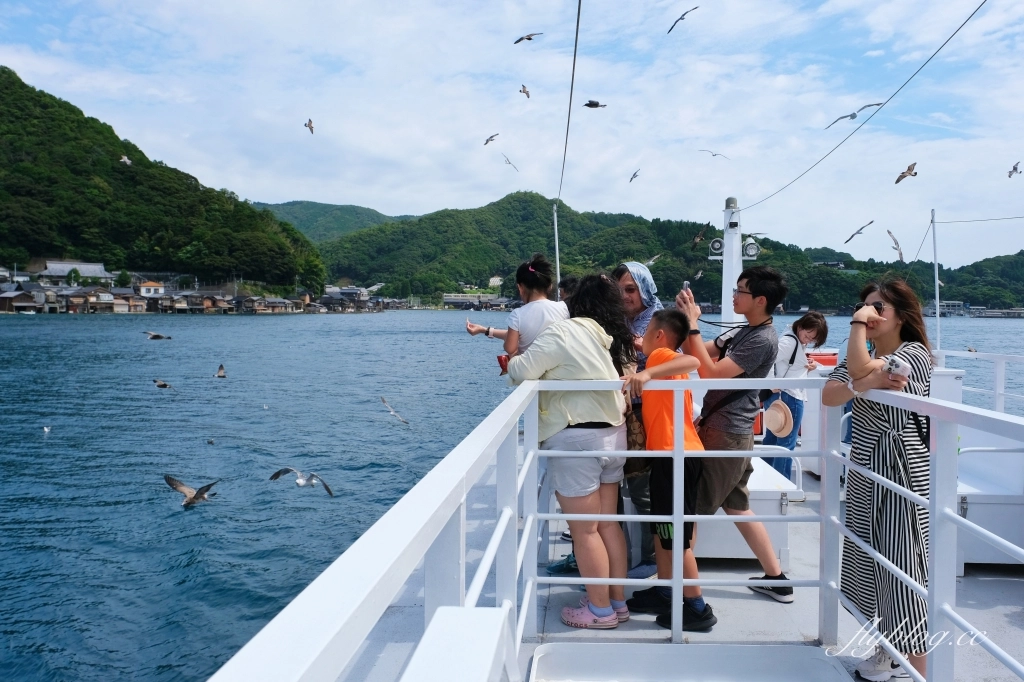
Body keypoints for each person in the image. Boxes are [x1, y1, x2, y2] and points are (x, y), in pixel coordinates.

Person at [507, 274, 635, 629]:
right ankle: (616, 602)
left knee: (585, 531)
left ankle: (598, 613)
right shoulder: (598, 332)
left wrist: (513, 360)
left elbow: (521, 369)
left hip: (576, 439)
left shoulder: (561, 332)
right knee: (608, 526)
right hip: (612, 433)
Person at [822, 279, 933, 681]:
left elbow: (855, 373)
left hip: (902, 474)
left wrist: (854, 328)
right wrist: (864, 383)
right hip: (869, 470)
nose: (869, 314)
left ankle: (920, 671)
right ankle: (885, 654)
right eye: (864, 306)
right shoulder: (866, 355)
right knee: (873, 565)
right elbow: (831, 395)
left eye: (878, 308)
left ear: (902, 316)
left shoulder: (915, 354)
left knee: (904, 569)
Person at [675, 265, 795, 604]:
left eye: (740, 290)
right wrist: (685, 320)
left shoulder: (762, 339)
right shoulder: (745, 331)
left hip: (725, 434)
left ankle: (683, 591)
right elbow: (699, 351)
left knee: (689, 509)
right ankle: (777, 579)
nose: (734, 295)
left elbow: (710, 372)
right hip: (732, 432)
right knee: (738, 506)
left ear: (760, 300)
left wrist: (694, 324)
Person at [621, 309, 717, 631]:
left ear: (660, 335)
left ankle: (697, 607)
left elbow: (692, 362)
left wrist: (646, 374)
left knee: (675, 536)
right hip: (672, 456)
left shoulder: (661, 356)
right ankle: (666, 590)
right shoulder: (659, 363)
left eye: (647, 329)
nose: (642, 336)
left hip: (677, 456)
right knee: (664, 531)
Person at [612, 261, 662, 576]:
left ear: (645, 288)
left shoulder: (659, 322)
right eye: (619, 291)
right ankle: (620, 558)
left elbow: (676, 357)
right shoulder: (619, 322)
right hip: (624, 413)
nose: (625, 297)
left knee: (645, 490)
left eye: (631, 289)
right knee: (615, 487)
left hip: (649, 414)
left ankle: (652, 559)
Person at [761, 311, 829, 480]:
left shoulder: (792, 337)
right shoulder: (790, 342)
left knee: (772, 440)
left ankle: (766, 479)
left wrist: (807, 365)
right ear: (800, 327)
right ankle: (782, 485)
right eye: (807, 336)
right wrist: (771, 382)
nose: (808, 340)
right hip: (790, 396)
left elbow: (786, 362)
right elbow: (767, 359)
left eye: (812, 339)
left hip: (778, 396)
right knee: (786, 443)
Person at [465, 253, 567, 356]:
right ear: (549, 286)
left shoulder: (517, 315)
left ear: (520, 288)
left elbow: (510, 348)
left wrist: (506, 345)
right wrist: (483, 330)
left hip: (531, 370)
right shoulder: (563, 308)